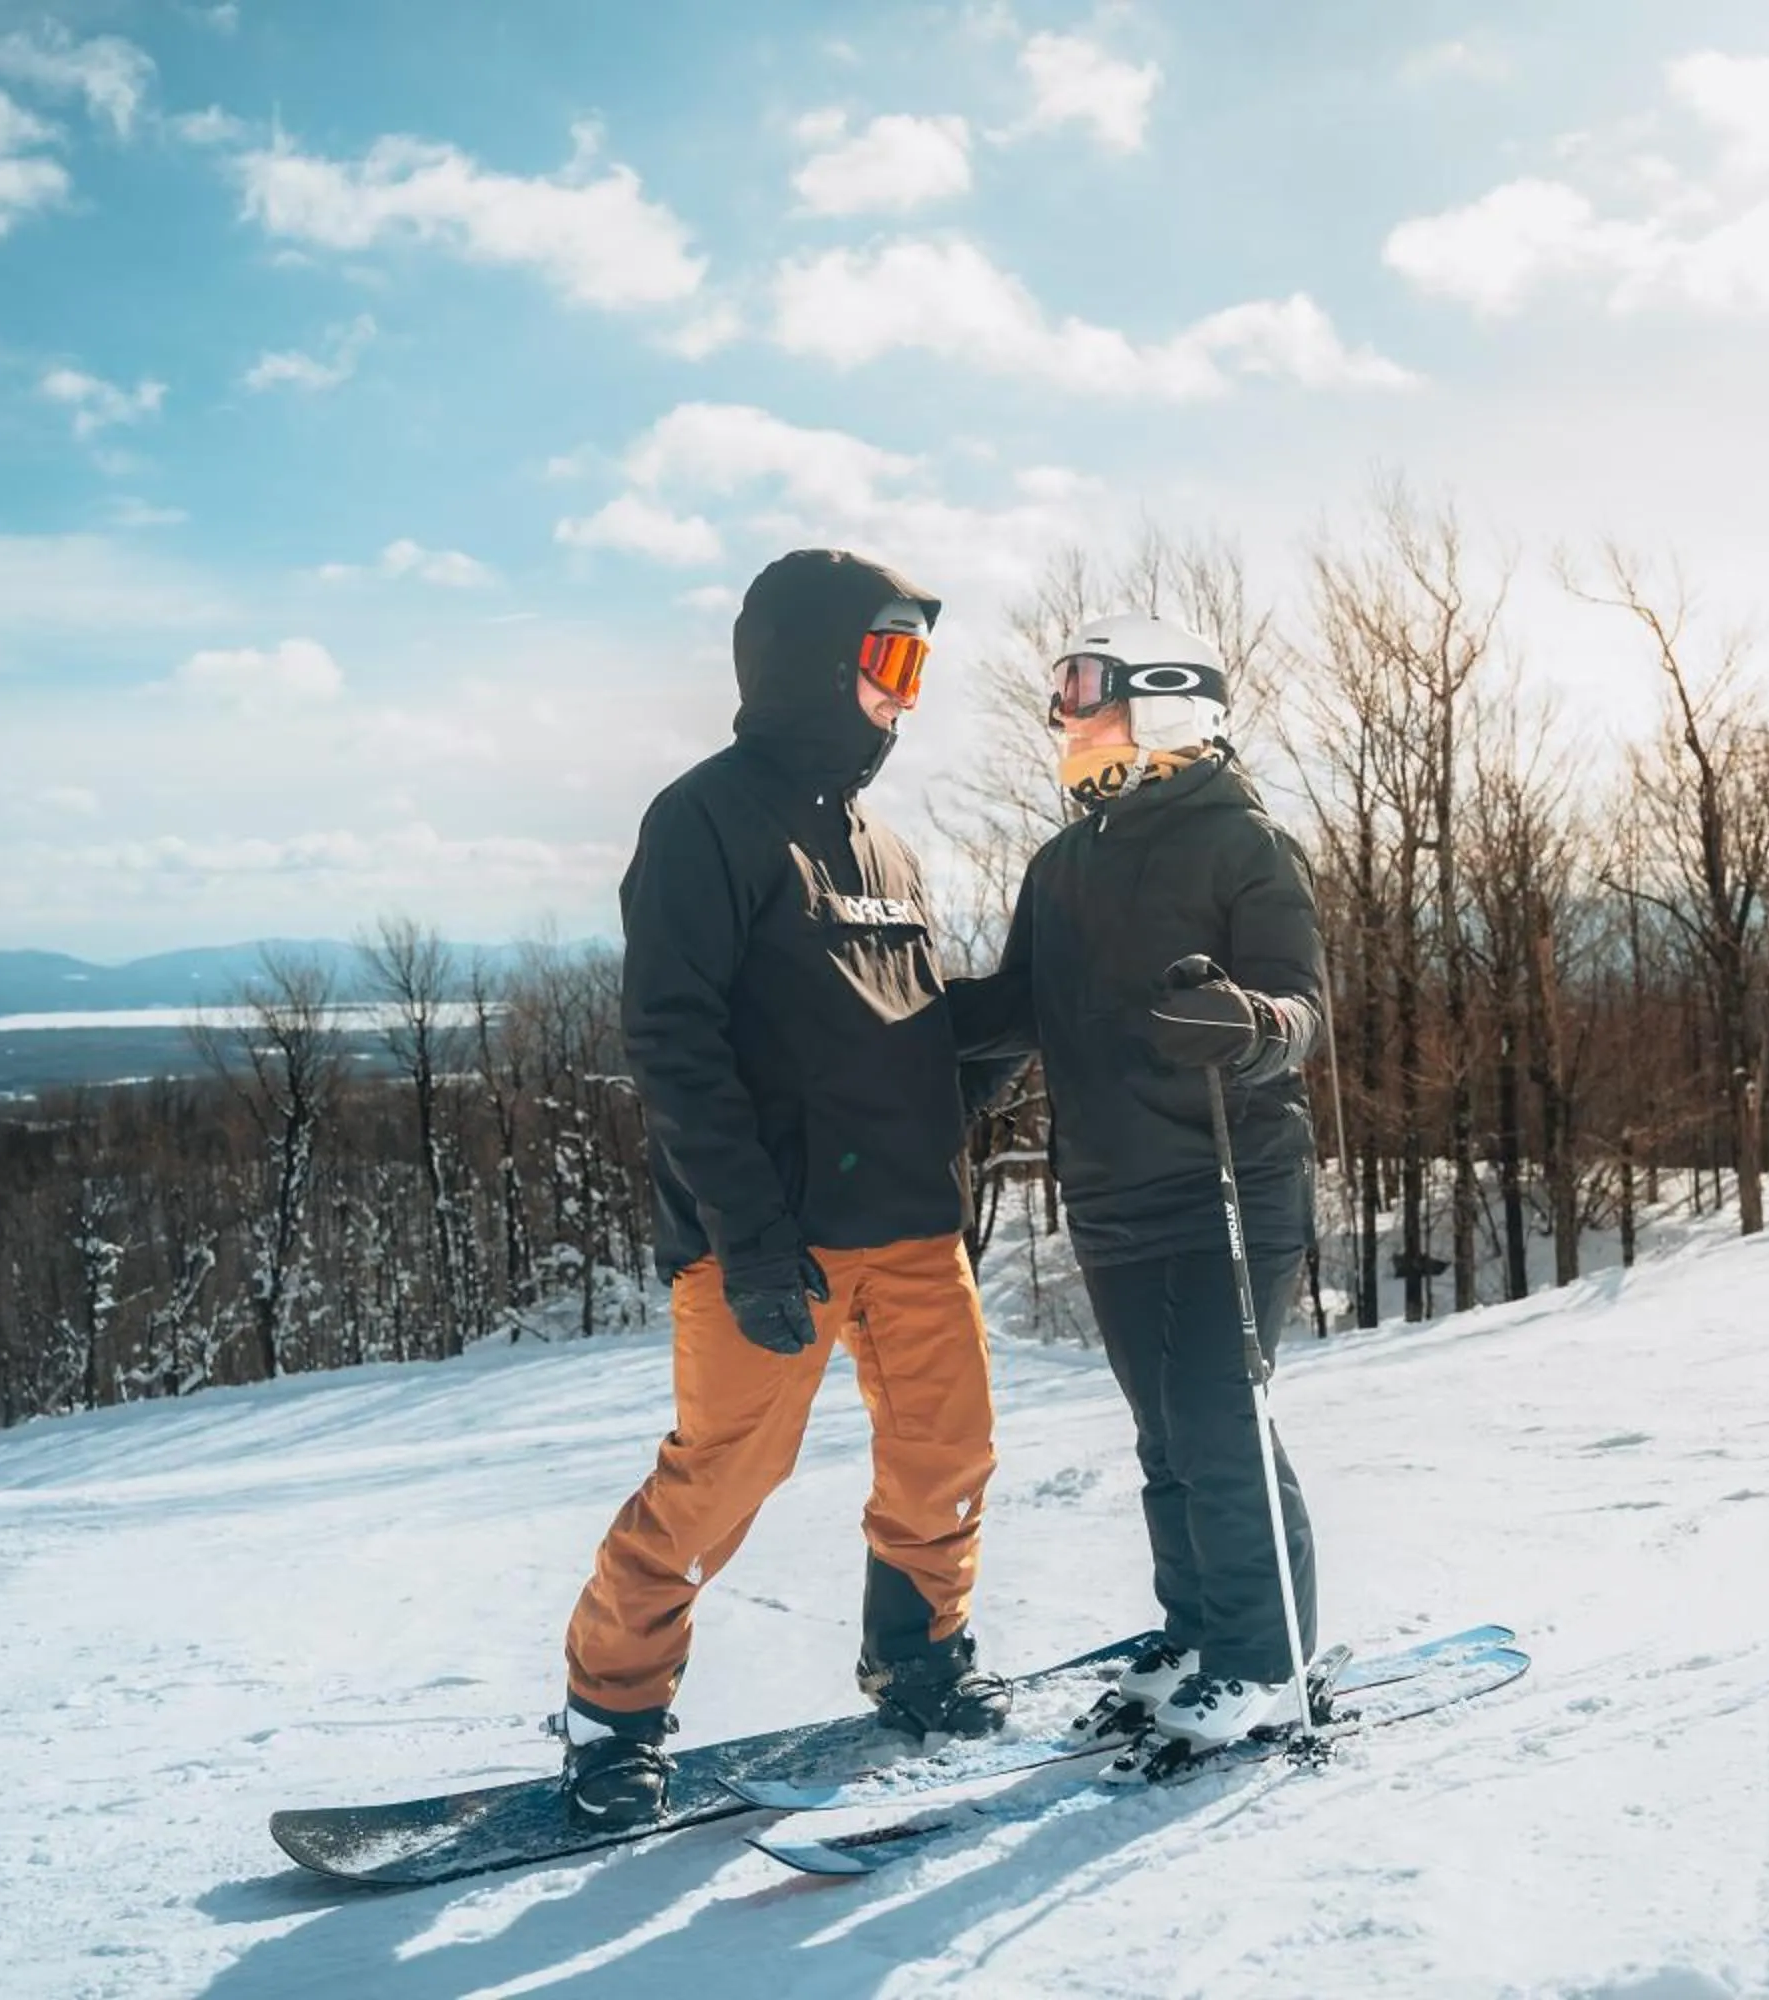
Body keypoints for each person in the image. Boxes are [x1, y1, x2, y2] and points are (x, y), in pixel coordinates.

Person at [556, 549, 1011, 1833]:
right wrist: (747, 1239)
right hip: (771, 1240)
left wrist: (1019, 1012)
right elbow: (676, 1040)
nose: (906, 694)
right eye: (891, 659)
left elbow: (906, 1031)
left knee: (949, 1455)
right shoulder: (703, 820)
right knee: (719, 1483)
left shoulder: (886, 845)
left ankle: (918, 1657)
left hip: (914, 1225)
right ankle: (613, 1711)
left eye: (920, 664)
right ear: (818, 658)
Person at [951, 609, 1327, 1756]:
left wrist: (1252, 1021)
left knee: (1220, 1420)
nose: (1063, 710)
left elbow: (1301, 1008)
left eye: (1085, 685)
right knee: (1163, 1434)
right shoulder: (1062, 862)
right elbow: (1009, 1018)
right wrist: (895, 1059)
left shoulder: (1243, 842)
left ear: (1169, 699)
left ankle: (1266, 1659)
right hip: (1112, 1189)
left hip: (1228, 1175)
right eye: (1061, 688)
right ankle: (1196, 1626)